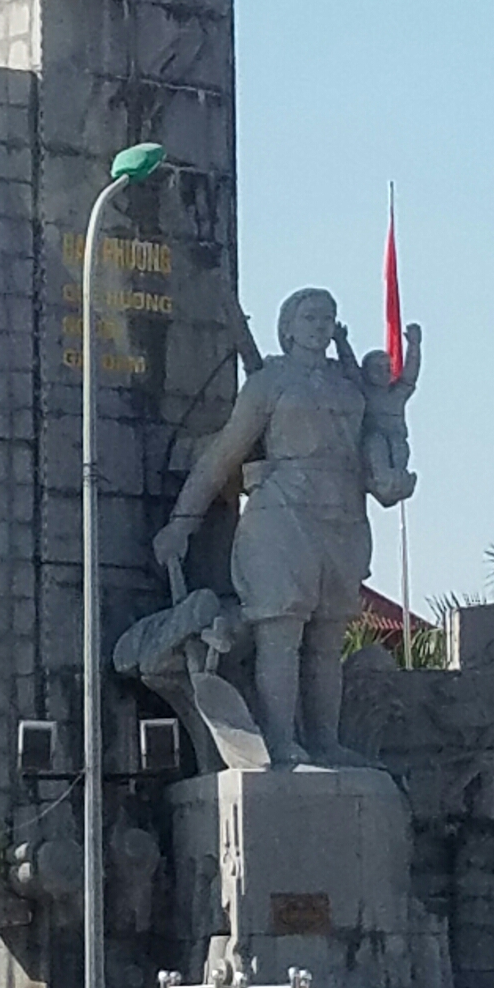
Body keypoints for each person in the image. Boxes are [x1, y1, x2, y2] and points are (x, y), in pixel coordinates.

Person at [153, 287, 373, 768]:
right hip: (282, 514)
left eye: (328, 317)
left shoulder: (348, 385)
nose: (321, 325)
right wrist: (182, 522)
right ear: (288, 327)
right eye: (310, 316)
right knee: (281, 631)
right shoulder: (268, 383)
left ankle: (325, 742)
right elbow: (222, 456)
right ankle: (280, 741)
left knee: (327, 637)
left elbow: (375, 444)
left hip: (343, 515)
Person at [334, 321, 421, 506]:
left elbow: (410, 374)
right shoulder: (364, 390)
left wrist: (414, 345)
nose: (383, 373)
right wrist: (341, 341)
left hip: (397, 440)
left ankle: (397, 480)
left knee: (399, 448)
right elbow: (349, 364)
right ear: (366, 372)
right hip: (373, 441)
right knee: (376, 444)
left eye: (387, 368)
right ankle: (382, 480)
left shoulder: (397, 393)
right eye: (377, 368)